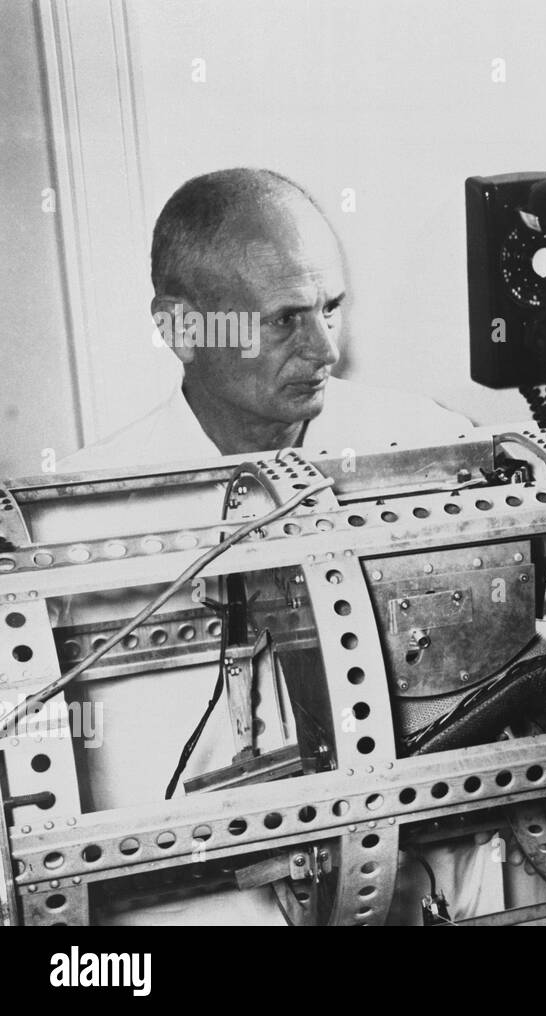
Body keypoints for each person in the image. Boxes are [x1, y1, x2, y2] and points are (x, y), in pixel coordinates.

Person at [37, 168, 500, 925]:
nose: (324, 348)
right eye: (284, 320)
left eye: (331, 308)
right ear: (183, 328)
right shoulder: (71, 527)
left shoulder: (429, 447)